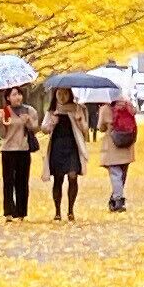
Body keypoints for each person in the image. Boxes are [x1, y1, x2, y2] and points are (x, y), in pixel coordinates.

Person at [45, 88, 90, 220]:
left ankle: (70, 210)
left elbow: (85, 129)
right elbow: (44, 128)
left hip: (72, 147)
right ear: (55, 94)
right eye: (59, 94)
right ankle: (57, 211)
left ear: (70, 94)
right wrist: (51, 123)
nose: (62, 97)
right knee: (58, 179)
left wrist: (79, 120)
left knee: (72, 176)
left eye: (65, 93)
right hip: (57, 147)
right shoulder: (52, 109)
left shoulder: (77, 108)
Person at [0, 87, 38, 220]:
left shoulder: (29, 110)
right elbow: (2, 135)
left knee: (22, 182)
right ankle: (8, 211)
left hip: (23, 149)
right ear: (8, 97)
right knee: (8, 181)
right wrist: (0, 123)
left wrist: (28, 122)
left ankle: (21, 212)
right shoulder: (4, 112)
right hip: (8, 150)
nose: (18, 97)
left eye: (19, 94)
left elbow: (35, 128)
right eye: (14, 94)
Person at [103, 94, 141, 211]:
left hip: (113, 145)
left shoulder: (106, 108)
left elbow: (101, 127)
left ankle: (118, 199)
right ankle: (115, 198)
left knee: (115, 174)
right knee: (122, 174)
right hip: (127, 145)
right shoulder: (128, 105)